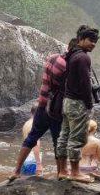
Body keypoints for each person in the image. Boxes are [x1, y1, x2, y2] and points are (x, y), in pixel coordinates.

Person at [12, 44, 70, 180]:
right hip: (55, 109)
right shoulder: (65, 64)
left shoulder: (52, 58)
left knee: (32, 137)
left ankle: (16, 171)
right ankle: (61, 173)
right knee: (59, 142)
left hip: (42, 104)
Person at [55, 25, 100, 183]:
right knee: (77, 139)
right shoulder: (83, 58)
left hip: (67, 101)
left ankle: (62, 171)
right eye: (90, 40)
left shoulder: (71, 54)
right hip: (78, 103)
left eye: (95, 41)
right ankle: (75, 173)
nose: (93, 44)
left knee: (64, 136)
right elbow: (84, 83)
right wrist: (89, 103)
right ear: (81, 39)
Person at [18, 107, 43, 176]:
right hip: (32, 160)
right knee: (36, 184)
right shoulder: (35, 125)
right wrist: (38, 163)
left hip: (25, 158)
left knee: (25, 182)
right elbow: (35, 145)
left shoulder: (27, 123)